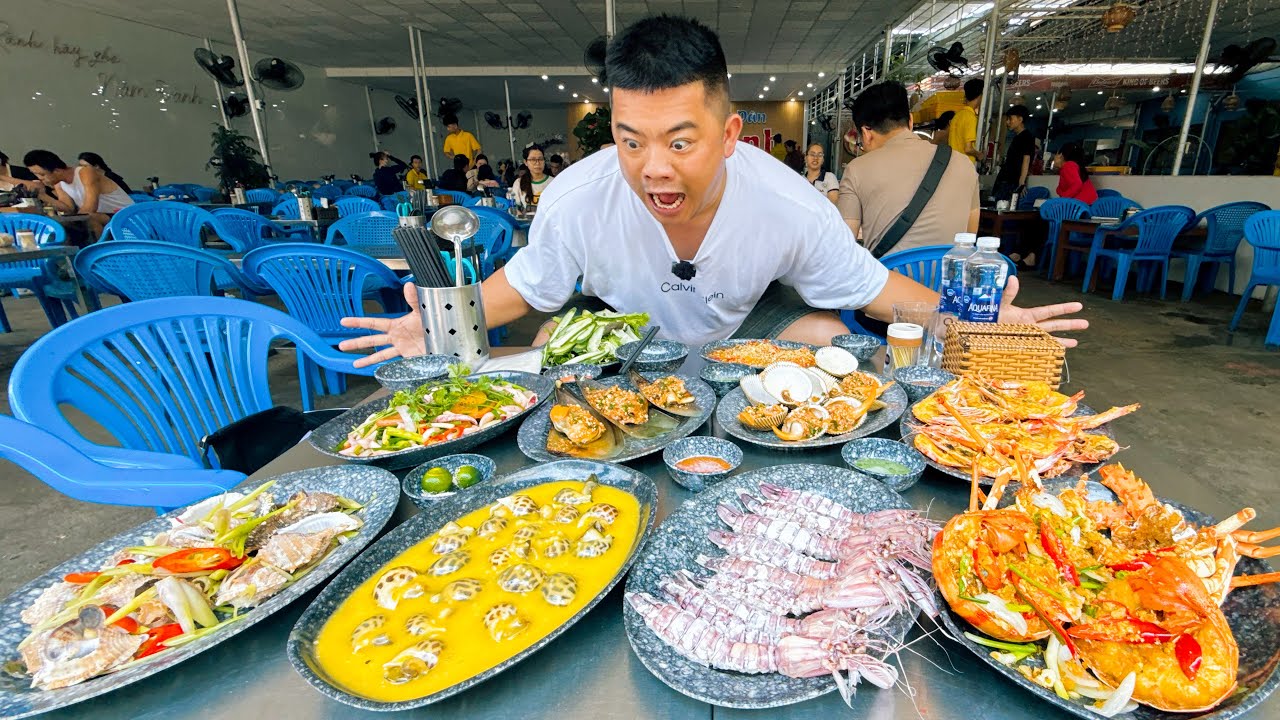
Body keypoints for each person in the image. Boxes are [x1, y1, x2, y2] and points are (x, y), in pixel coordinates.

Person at [337, 15, 1086, 366]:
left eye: (680, 141)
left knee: (830, 336)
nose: (653, 167)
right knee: (543, 346)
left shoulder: (788, 202)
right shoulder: (575, 196)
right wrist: (436, 323)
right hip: (628, 337)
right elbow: (528, 288)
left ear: (729, 136)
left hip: (742, 334)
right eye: (631, 139)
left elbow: (871, 288)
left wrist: (966, 318)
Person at [838, 82, 980, 257]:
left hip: (887, 282)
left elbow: (844, 246)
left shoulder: (856, 169)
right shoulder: (964, 164)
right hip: (947, 282)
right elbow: (969, 237)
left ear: (866, 133)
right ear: (911, 121)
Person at [23, 149, 133, 237]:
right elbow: (67, 208)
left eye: (42, 175)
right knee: (60, 223)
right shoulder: (59, 183)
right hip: (104, 216)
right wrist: (41, 195)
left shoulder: (85, 173)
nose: (40, 179)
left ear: (57, 170)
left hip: (128, 216)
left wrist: (69, 221)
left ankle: (97, 254)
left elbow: (90, 207)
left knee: (88, 219)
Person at [992, 105, 1034, 203]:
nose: (1007, 122)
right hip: (1005, 179)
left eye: (1010, 119)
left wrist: (1021, 182)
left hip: (1011, 182)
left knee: (1002, 208)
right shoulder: (1016, 137)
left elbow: (1026, 159)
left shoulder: (1027, 137)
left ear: (1020, 119)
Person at [949, 79, 984, 164]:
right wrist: (979, 154)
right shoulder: (970, 117)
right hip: (964, 166)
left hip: (954, 163)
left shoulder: (958, 115)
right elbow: (968, 149)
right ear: (980, 95)